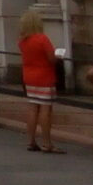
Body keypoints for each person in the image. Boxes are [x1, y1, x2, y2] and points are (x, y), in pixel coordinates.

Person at [19, 8, 61, 154]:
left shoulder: (23, 41)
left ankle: (31, 141)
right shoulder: (42, 39)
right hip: (44, 76)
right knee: (45, 109)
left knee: (32, 108)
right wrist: (58, 56)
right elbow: (51, 58)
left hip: (29, 77)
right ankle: (47, 143)